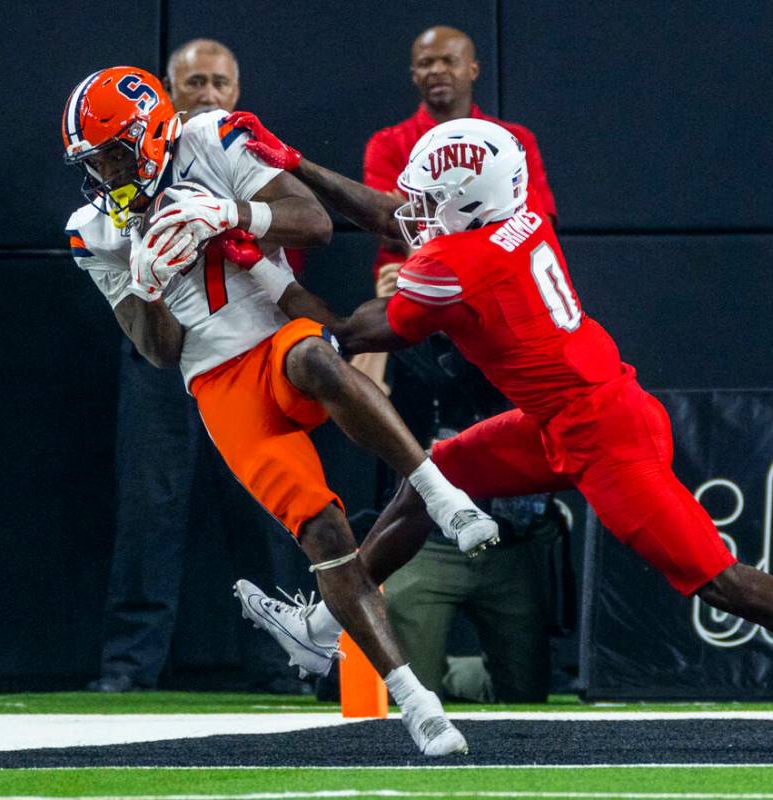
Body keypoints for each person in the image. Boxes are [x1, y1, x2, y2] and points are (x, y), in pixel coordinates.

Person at [222, 111, 773, 753]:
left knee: (721, 581)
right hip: (577, 412)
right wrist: (296, 166)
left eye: (431, 197)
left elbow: (352, 331)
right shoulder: (514, 220)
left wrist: (266, 277)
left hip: (603, 438)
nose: (415, 206)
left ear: (463, 201)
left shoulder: (456, 264)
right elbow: (397, 216)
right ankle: (326, 623)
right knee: (435, 475)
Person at [62, 65, 500, 756]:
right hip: (217, 379)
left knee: (317, 359)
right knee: (324, 531)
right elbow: (160, 351)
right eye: (94, 162)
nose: (105, 174)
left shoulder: (210, 139)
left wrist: (232, 213)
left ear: (148, 135)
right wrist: (145, 286)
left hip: (275, 334)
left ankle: (440, 493)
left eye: (114, 153)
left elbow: (316, 223)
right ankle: (419, 705)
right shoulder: (95, 228)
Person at [346, 25, 563, 701]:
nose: (436, 71)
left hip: (487, 291)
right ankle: (386, 569)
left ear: (473, 67)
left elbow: (530, 223)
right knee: (384, 390)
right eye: (424, 63)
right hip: (427, 293)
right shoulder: (390, 144)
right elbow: (395, 240)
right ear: (413, 75)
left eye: (447, 60)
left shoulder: (514, 140)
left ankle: (517, 543)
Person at [88, 39, 311, 696]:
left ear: (235, 92)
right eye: (194, 84)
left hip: (244, 354)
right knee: (149, 511)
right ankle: (129, 670)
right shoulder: (122, 169)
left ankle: (284, 664)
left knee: (270, 509)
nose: (208, 96)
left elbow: (297, 239)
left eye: (219, 83)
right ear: (165, 91)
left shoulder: (245, 153)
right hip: (164, 361)